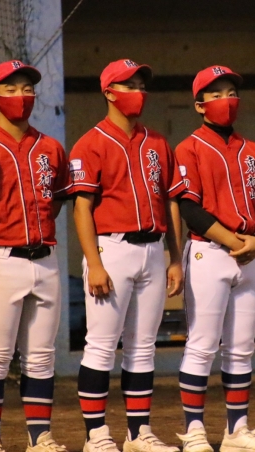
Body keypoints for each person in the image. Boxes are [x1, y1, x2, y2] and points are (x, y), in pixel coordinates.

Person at [68, 59, 184, 452]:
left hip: (152, 249)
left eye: (140, 84)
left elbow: (170, 202)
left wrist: (174, 258)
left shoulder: (157, 142)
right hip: (111, 249)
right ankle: (96, 435)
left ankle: (138, 433)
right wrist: (94, 263)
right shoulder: (91, 142)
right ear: (108, 92)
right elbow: (81, 208)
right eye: (128, 85)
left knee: (143, 347)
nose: (137, 91)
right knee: (101, 345)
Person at [0, 60, 71, 452]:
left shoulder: (51, 147)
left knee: (41, 356)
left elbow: (56, 202)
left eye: (27, 88)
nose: (21, 96)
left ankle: (40, 436)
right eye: (11, 89)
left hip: (45, 258)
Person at [174, 65, 255, 452]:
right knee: (202, 345)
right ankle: (194, 431)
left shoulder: (253, 150)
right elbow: (189, 207)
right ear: (199, 105)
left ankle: (237, 431)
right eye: (216, 94)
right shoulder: (188, 148)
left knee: (241, 348)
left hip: (250, 253)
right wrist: (237, 241)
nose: (226, 100)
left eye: (231, 93)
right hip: (209, 251)